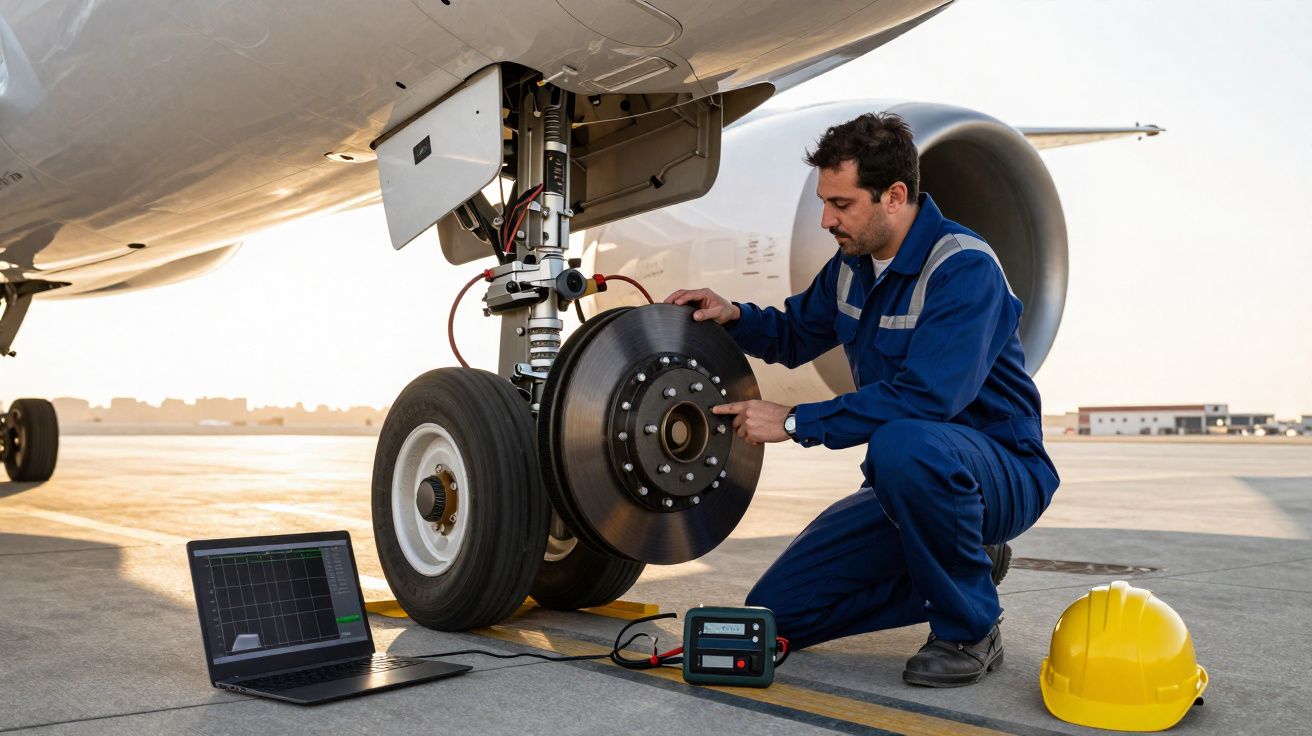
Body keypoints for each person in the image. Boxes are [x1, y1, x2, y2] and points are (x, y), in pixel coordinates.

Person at [664, 112, 1060, 687]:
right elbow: (794, 334)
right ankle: (967, 562)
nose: (827, 220)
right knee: (774, 613)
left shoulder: (964, 269)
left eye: (842, 204)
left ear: (894, 196)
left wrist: (796, 421)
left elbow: (927, 400)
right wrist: (732, 316)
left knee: (905, 443)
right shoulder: (852, 268)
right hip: (909, 482)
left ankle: (969, 627)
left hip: (998, 471)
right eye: (825, 202)